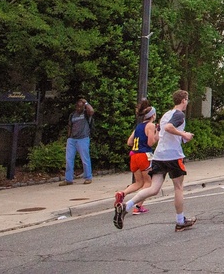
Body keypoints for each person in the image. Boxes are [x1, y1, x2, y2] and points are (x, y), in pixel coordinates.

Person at [114, 90, 196, 232]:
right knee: (178, 187)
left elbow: (162, 134)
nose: (187, 102)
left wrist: (182, 137)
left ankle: (126, 206)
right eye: (187, 100)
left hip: (159, 155)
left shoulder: (166, 114)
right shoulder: (179, 114)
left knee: (153, 188)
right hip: (173, 156)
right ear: (183, 100)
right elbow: (169, 128)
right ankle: (180, 220)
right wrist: (184, 134)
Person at [114, 100, 159, 214]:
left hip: (134, 155)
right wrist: (156, 134)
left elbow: (129, 141)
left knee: (138, 182)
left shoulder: (138, 126)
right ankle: (138, 206)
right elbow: (150, 143)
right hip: (145, 155)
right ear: (153, 115)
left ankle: (122, 193)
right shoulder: (151, 125)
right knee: (148, 183)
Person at [60, 97, 95, 186]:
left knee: (85, 159)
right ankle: (68, 179)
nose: (79, 109)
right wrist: (69, 137)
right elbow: (69, 126)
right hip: (72, 139)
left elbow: (91, 111)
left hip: (83, 138)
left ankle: (88, 177)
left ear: (83, 108)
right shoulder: (72, 115)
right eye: (78, 107)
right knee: (69, 159)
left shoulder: (86, 114)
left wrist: (86, 103)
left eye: (81, 107)